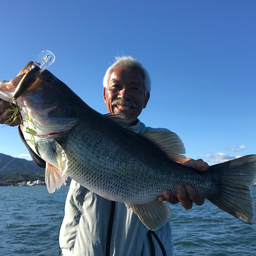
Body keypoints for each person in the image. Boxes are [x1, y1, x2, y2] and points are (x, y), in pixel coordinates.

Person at [0, 57, 209, 255]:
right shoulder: (72, 127)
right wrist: (20, 119)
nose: (123, 94)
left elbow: (177, 162)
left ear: (146, 99)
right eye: (116, 86)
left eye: (135, 88)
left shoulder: (154, 143)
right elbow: (43, 156)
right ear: (104, 94)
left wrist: (187, 174)